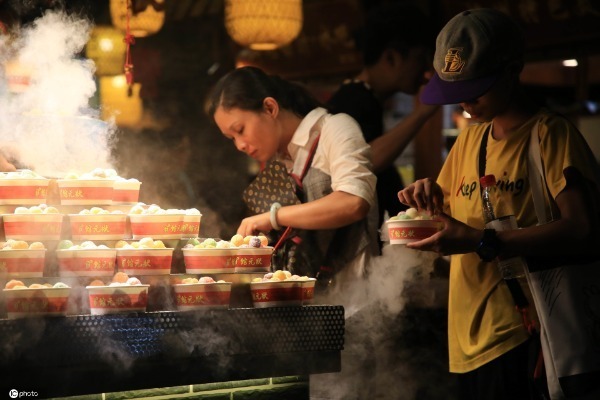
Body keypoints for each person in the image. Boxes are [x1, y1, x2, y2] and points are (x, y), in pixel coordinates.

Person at [397, 8, 600, 400]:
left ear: (513, 69)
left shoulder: (550, 136)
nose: (467, 103)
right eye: (459, 93)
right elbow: (447, 219)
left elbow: (583, 229)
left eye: (477, 88)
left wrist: (483, 241)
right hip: (466, 337)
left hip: (528, 332)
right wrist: (426, 199)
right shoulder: (470, 141)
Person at [207, 66, 379, 300]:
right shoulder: (277, 161)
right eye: (232, 138)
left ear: (270, 108)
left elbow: (354, 202)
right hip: (308, 303)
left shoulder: (335, 128)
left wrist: (274, 216)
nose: (239, 145)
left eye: (240, 130)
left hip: (356, 300)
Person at [327, 2, 439, 232]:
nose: (426, 71)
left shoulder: (363, 98)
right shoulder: (354, 99)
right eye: (420, 58)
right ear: (391, 57)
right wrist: (425, 110)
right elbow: (367, 160)